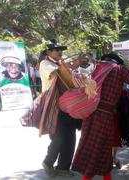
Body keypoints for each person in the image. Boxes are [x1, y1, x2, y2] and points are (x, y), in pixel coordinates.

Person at [71, 52, 129, 180]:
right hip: (105, 115)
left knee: (93, 146)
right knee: (100, 148)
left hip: (90, 112)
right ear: (119, 62)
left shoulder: (96, 66)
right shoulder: (119, 69)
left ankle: (105, 176)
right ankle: (87, 177)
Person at [40, 39, 81, 177]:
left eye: (61, 50)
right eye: (56, 49)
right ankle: (48, 162)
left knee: (70, 137)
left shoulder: (61, 64)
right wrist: (71, 67)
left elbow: (71, 81)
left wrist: (72, 68)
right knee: (58, 137)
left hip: (68, 105)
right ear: (48, 52)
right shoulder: (45, 63)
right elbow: (55, 75)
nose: (60, 52)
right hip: (54, 106)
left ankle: (63, 168)